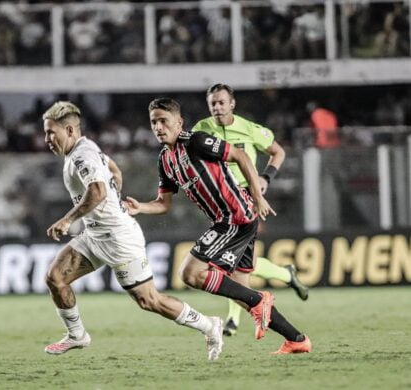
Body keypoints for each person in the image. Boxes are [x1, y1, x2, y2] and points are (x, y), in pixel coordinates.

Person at [125, 97, 311, 354]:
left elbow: (242, 156)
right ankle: (296, 339)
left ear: (179, 123)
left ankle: (261, 300)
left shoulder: (197, 141)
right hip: (229, 220)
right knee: (241, 292)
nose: (158, 127)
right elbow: (163, 204)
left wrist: (258, 197)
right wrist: (140, 208)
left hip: (235, 216)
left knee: (190, 274)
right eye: (154, 122)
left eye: (164, 121)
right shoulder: (165, 160)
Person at [42, 101, 224, 360]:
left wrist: (67, 220)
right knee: (55, 278)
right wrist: (115, 196)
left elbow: (97, 191)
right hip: (95, 235)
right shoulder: (85, 148)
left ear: (70, 130)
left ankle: (209, 325)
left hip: (119, 239)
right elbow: (113, 170)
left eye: (52, 132)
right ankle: (77, 335)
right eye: (46, 132)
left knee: (150, 301)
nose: (47, 139)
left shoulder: (83, 155)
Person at [192, 83, 309, 336]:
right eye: (213, 103)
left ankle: (234, 319)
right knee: (243, 264)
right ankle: (285, 277)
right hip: (220, 202)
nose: (217, 107)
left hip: (246, 200)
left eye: (222, 102)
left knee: (225, 264)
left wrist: (266, 178)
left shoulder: (248, 129)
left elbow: (277, 151)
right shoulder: (201, 129)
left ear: (232, 103)